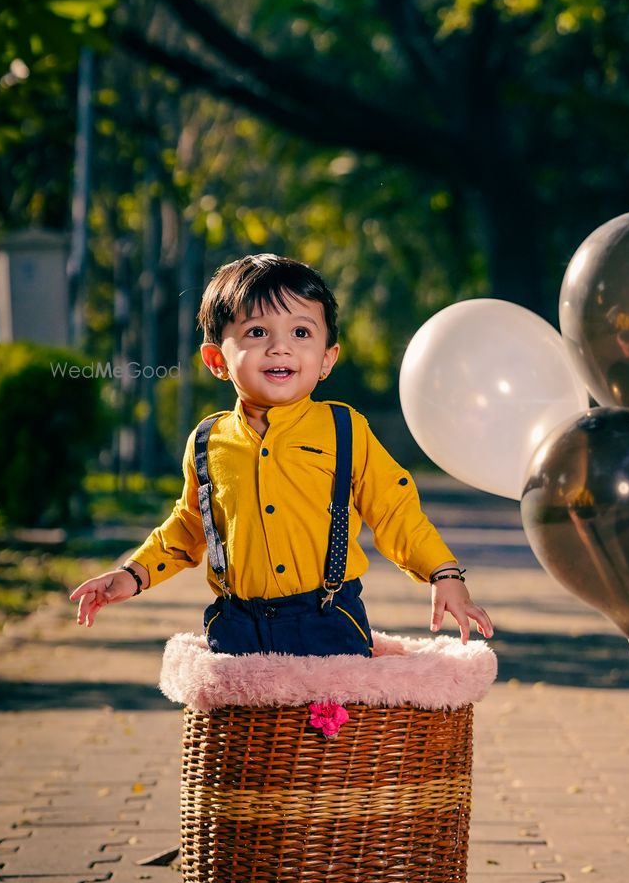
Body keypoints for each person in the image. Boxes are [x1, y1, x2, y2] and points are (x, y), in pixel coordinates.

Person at [70, 254, 494, 657]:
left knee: (326, 730)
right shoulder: (207, 441)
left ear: (327, 359)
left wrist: (445, 574)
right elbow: (187, 526)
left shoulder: (345, 430)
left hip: (328, 617)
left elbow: (395, 512)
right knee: (239, 732)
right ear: (217, 359)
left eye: (301, 332)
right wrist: (133, 574)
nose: (279, 347)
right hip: (236, 623)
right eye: (257, 332)